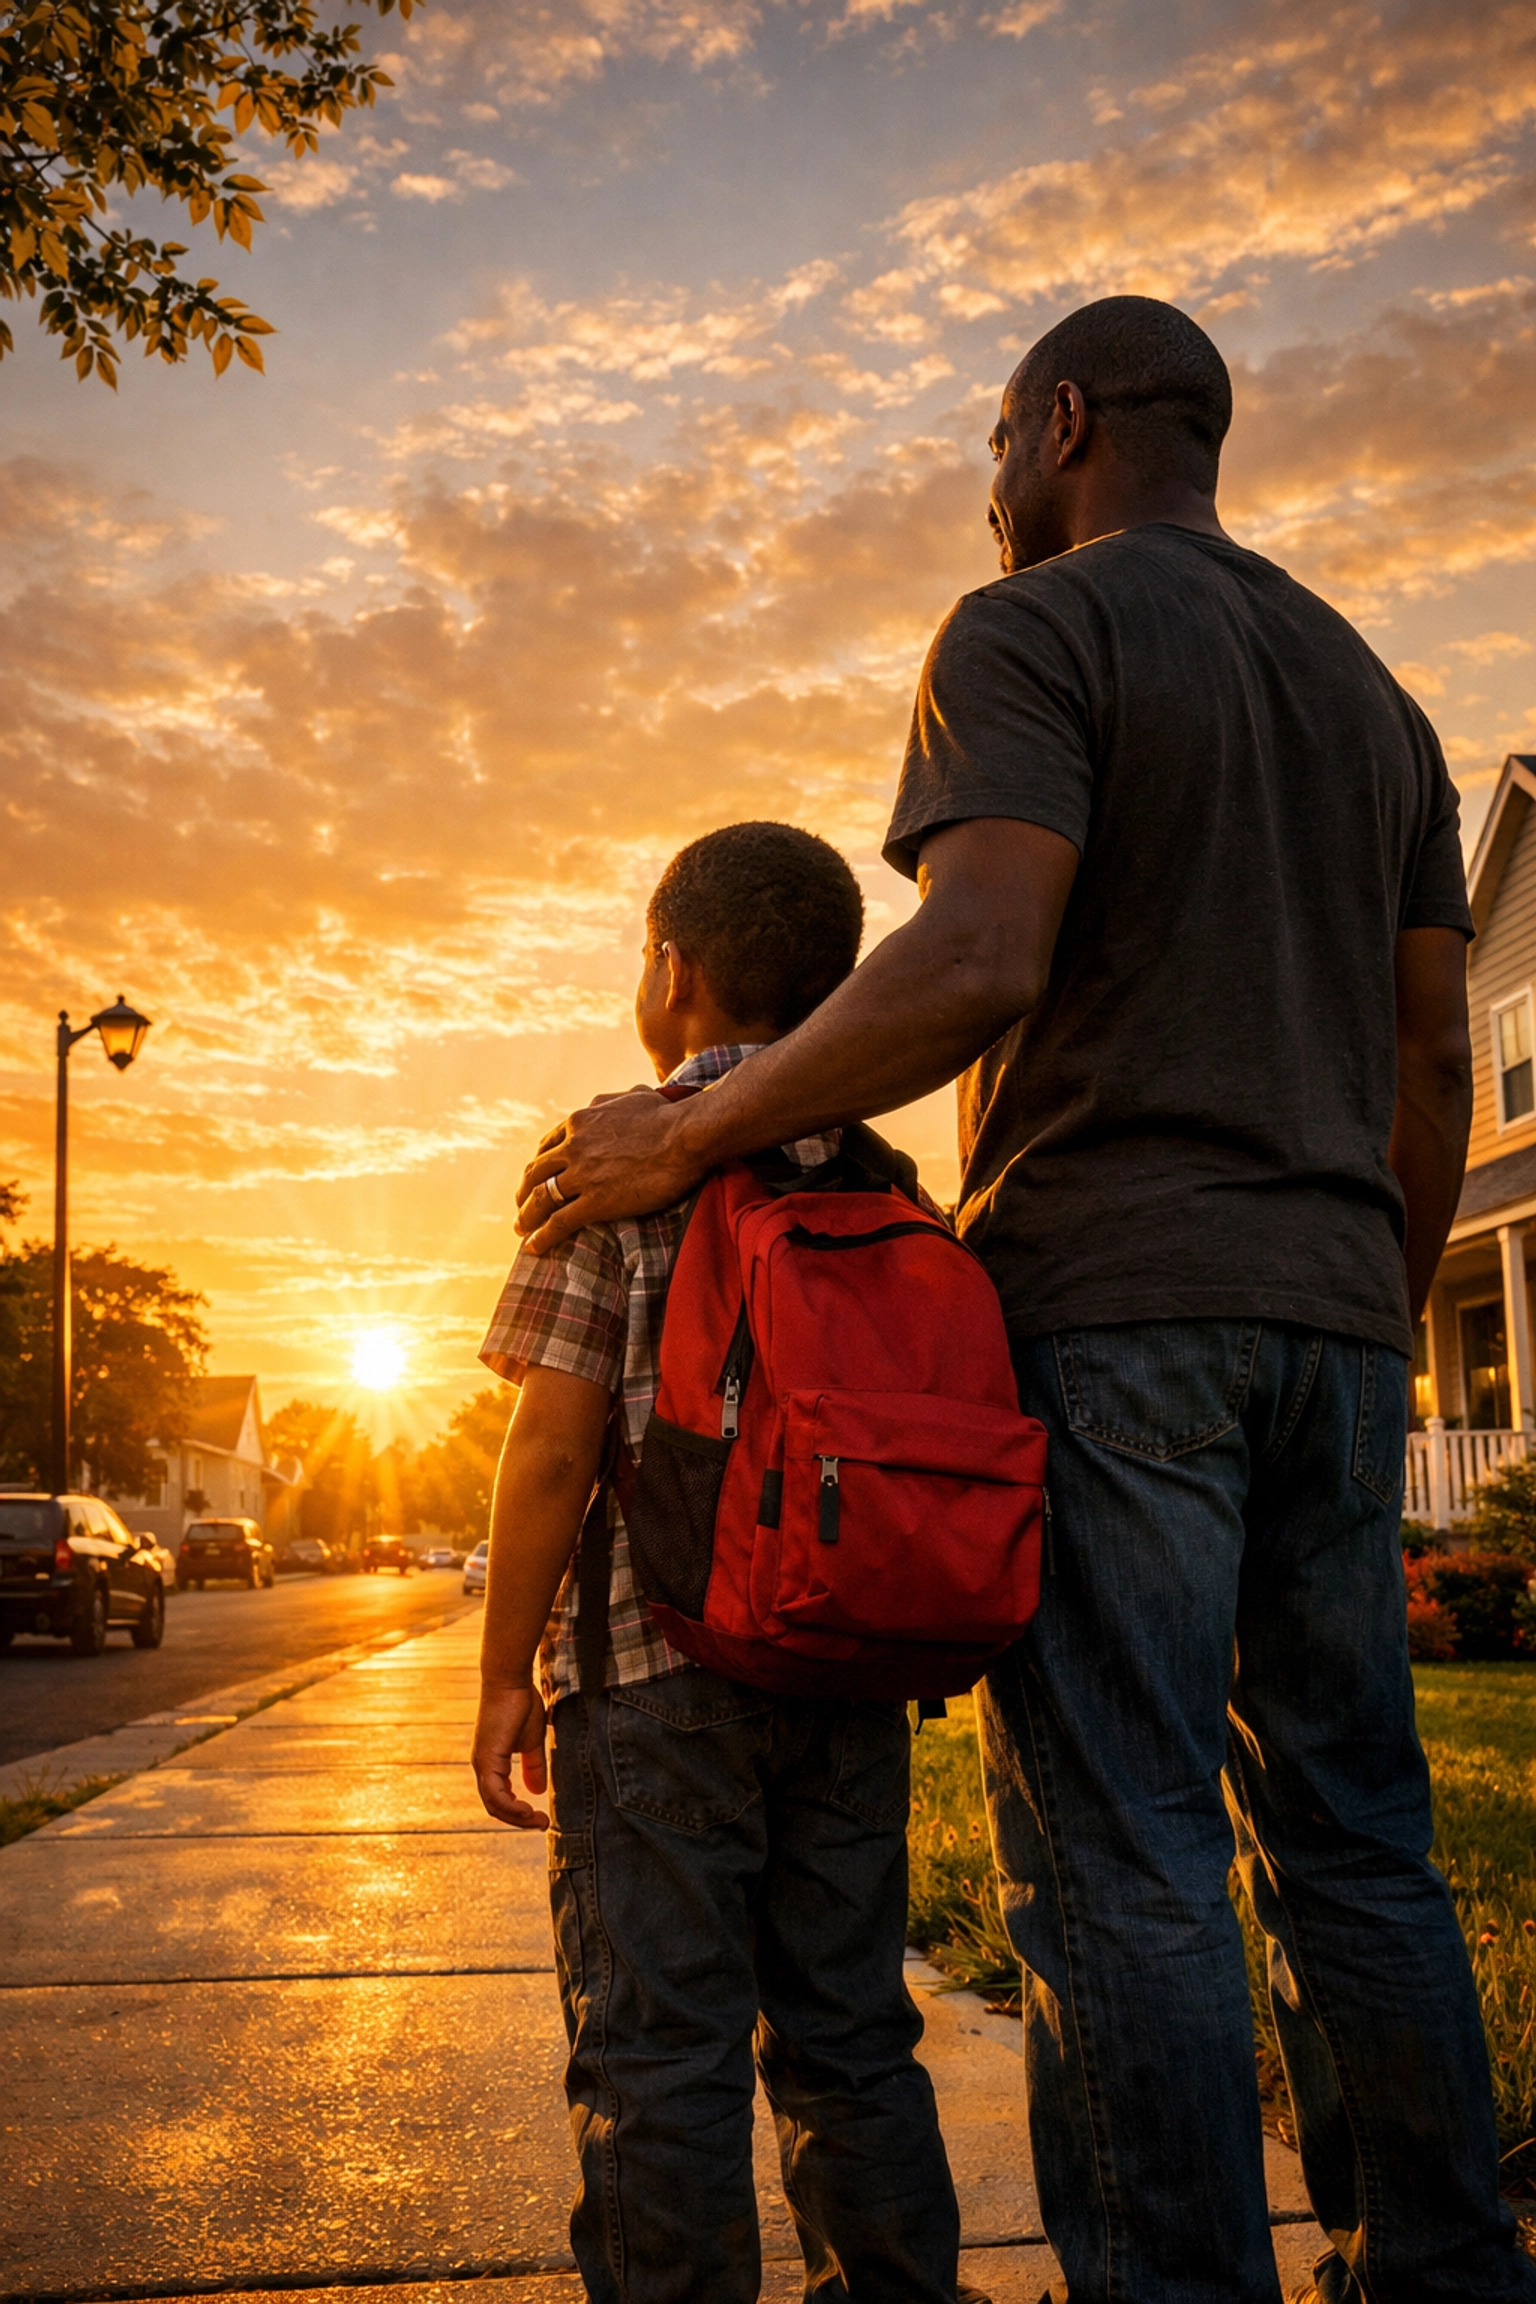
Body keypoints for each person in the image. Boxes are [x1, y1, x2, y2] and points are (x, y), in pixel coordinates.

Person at [512, 297, 1536, 2304]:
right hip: (1342, 1324)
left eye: (996, 438)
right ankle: (1446, 2271)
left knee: (1129, 1847)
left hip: (1115, 1309)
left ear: (1062, 423)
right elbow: (1433, 1062)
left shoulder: (1031, 632)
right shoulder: (1381, 703)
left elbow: (976, 956)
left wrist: (691, 1138)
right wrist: (1370, 1302)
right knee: (1360, 1838)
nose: (990, 480)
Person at [471, 820, 971, 2304]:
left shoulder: (615, 1157)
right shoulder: (888, 1180)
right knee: (851, 2034)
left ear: (670, 968)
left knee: (657, 2052)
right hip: (847, 1662)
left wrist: (507, 1670)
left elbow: (554, 1449)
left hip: (653, 1666)